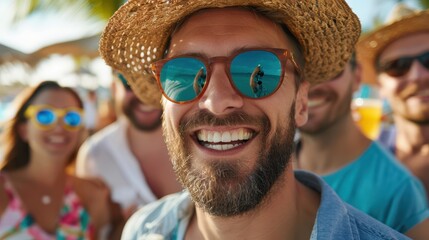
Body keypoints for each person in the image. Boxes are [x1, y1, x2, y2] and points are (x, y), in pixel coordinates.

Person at [99, 1, 407, 239]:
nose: (217, 102)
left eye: (258, 69)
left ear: (300, 103)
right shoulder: (143, 230)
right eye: (185, 73)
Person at [296, 54, 429, 238]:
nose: (310, 85)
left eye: (329, 70)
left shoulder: (399, 191)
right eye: (298, 72)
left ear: (357, 76)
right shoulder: (267, 166)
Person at [0, 81, 123, 239]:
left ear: (80, 130)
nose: (59, 127)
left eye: (72, 117)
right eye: (45, 116)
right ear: (23, 130)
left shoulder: (93, 195)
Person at [76, 71, 182, 219]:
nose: (143, 95)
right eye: (131, 83)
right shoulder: (95, 154)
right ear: (114, 88)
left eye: (154, 82)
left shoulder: (199, 144)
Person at [357, 4, 429, 197]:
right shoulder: (364, 161)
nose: (418, 76)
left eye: (428, 60)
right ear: (380, 86)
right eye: (398, 66)